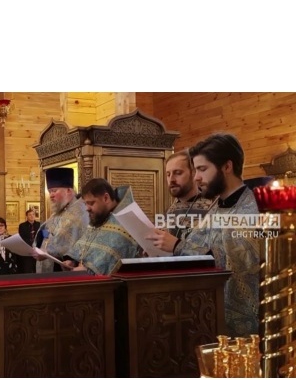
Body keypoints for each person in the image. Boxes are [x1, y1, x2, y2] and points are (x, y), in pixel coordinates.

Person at [148, 133, 260, 337]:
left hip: (245, 324)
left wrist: (177, 246)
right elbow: (197, 245)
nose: (197, 177)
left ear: (227, 167)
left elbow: (235, 262)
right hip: (210, 314)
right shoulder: (217, 206)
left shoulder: (251, 209)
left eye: (202, 169)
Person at [64, 178, 141, 275]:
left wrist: (88, 272)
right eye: (85, 203)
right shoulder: (99, 217)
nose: (87, 208)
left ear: (106, 198)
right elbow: (85, 247)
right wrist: (73, 262)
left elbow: (111, 263)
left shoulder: (127, 223)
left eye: (91, 203)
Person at [33, 167, 89, 272]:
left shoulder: (80, 212)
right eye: (49, 191)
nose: (51, 195)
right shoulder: (58, 212)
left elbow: (79, 244)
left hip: (67, 269)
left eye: (54, 191)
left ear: (68, 190)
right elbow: (45, 232)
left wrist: (47, 251)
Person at [164, 149, 216, 240]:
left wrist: (176, 245)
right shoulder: (170, 210)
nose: (171, 179)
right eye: (168, 174)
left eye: (178, 173)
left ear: (193, 173)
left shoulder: (213, 207)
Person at [17, 209, 40, 273]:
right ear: (26, 216)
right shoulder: (22, 226)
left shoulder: (39, 224)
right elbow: (22, 237)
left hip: (38, 248)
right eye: (30, 215)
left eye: (33, 214)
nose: (32, 216)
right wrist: (31, 245)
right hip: (27, 248)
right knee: (28, 268)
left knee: (37, 268)